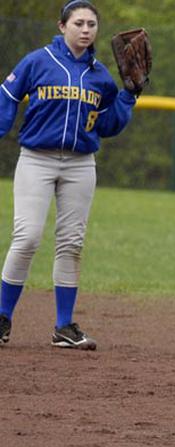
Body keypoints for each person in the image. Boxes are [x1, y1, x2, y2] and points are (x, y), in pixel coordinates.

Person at [0, 1, 139, 350]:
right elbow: (7, 100)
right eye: (78, 23)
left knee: (71, 244)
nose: (86, 29)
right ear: (62, 26)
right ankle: (2, 318)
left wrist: (128, 96)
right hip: (37, 159)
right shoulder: (37, 61)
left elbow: (107, 125)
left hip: (80, 164)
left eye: (92, 23)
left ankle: (64, 327)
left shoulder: (100, 76)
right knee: (28, 237)